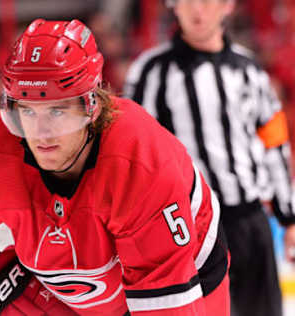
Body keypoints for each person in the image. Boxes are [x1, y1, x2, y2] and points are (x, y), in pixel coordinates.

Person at [0, 19, 230, 316]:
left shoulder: (141, 162)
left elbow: (166, 302)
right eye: (27, 111)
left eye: (58, 111)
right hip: (75, 291)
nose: (41, 133)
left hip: (190, 273)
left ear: (92, 105)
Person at [123, 1, 295, 316]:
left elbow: (274, 141)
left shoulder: (249, 69)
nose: (197, 11)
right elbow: (132, 155)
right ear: (174, 7)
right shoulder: (150, 72)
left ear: (227, 6)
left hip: (249, 221)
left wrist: (288, 217)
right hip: (193, 229)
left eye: (206, 1)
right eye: (187, 1)